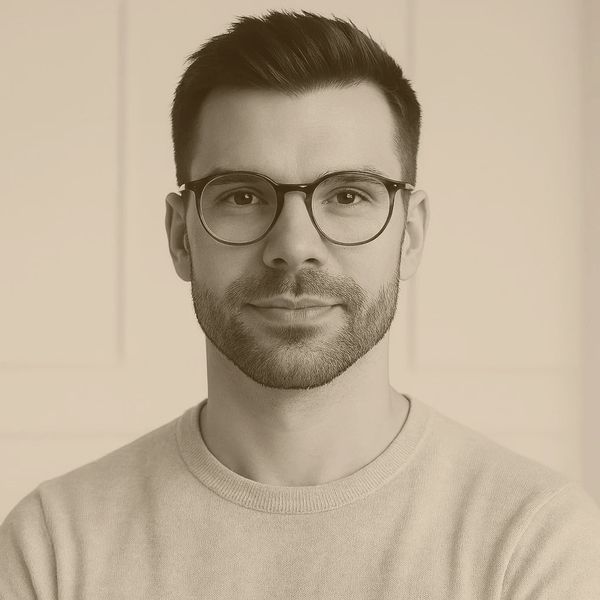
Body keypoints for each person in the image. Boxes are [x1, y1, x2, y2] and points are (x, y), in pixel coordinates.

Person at [2, 10, 600, 599]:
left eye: (348, 195)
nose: (293, 246)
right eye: (243, 196)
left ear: (410, 235)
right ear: (181, 236)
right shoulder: (55, 546)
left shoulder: (534, 542)